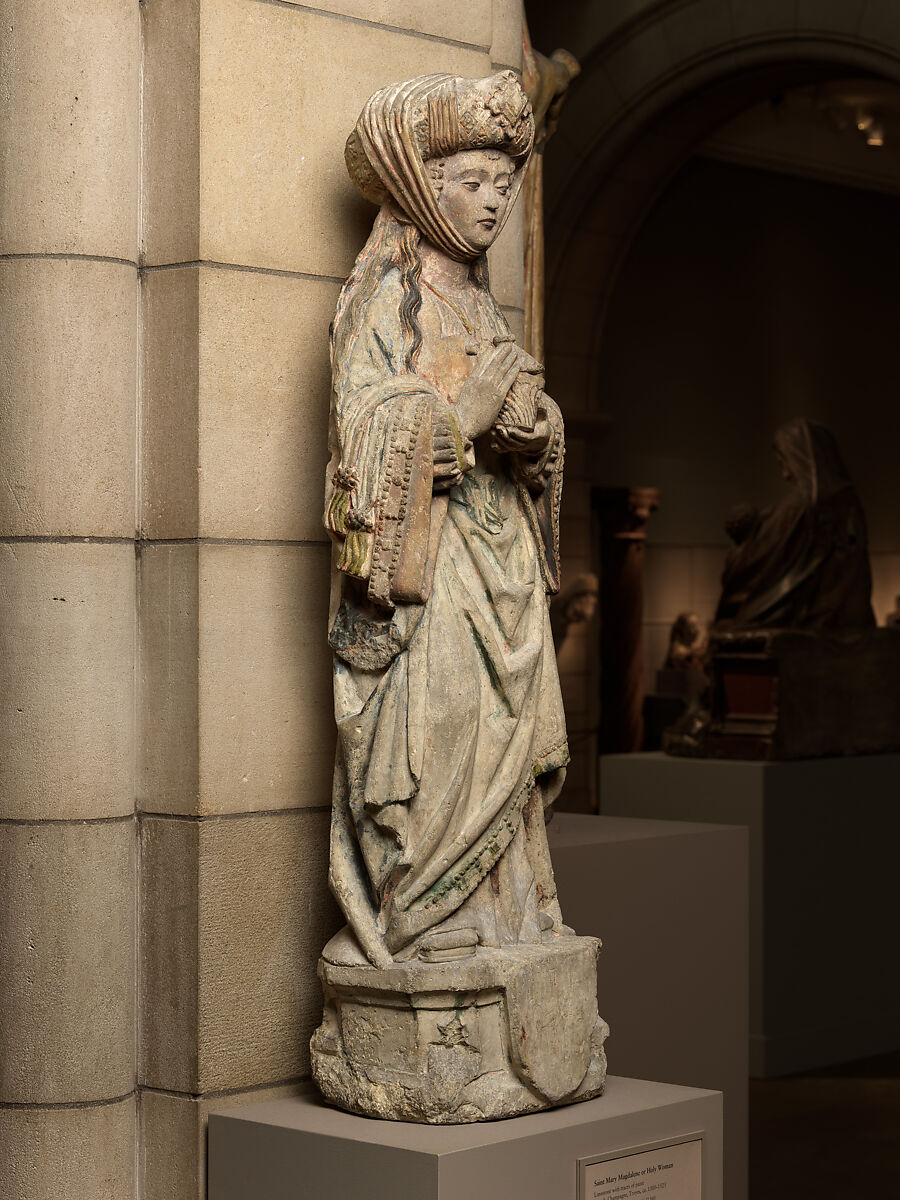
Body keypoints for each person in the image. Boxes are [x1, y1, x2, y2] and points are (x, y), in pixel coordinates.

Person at [322, 72, 571, 971]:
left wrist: (536, 436)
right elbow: (365, 441)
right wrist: (465, 418)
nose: (493, 202)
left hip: (499, 545)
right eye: (472, 183)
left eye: (505, 186)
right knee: (441, 730)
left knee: (504, 737)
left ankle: (511, 911)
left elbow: (527, 426)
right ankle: (424, 913)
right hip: (437, 569)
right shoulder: (385, 303)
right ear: (426, 187)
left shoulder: (481, 303)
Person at [715, 418, 875, 631]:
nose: (785, 474)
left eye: (784, 463)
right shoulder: (849, 499)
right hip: (850, 617)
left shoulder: (801, 503)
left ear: (799, 458)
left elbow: (763, 558)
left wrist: (740, 553)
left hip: (810, 616)